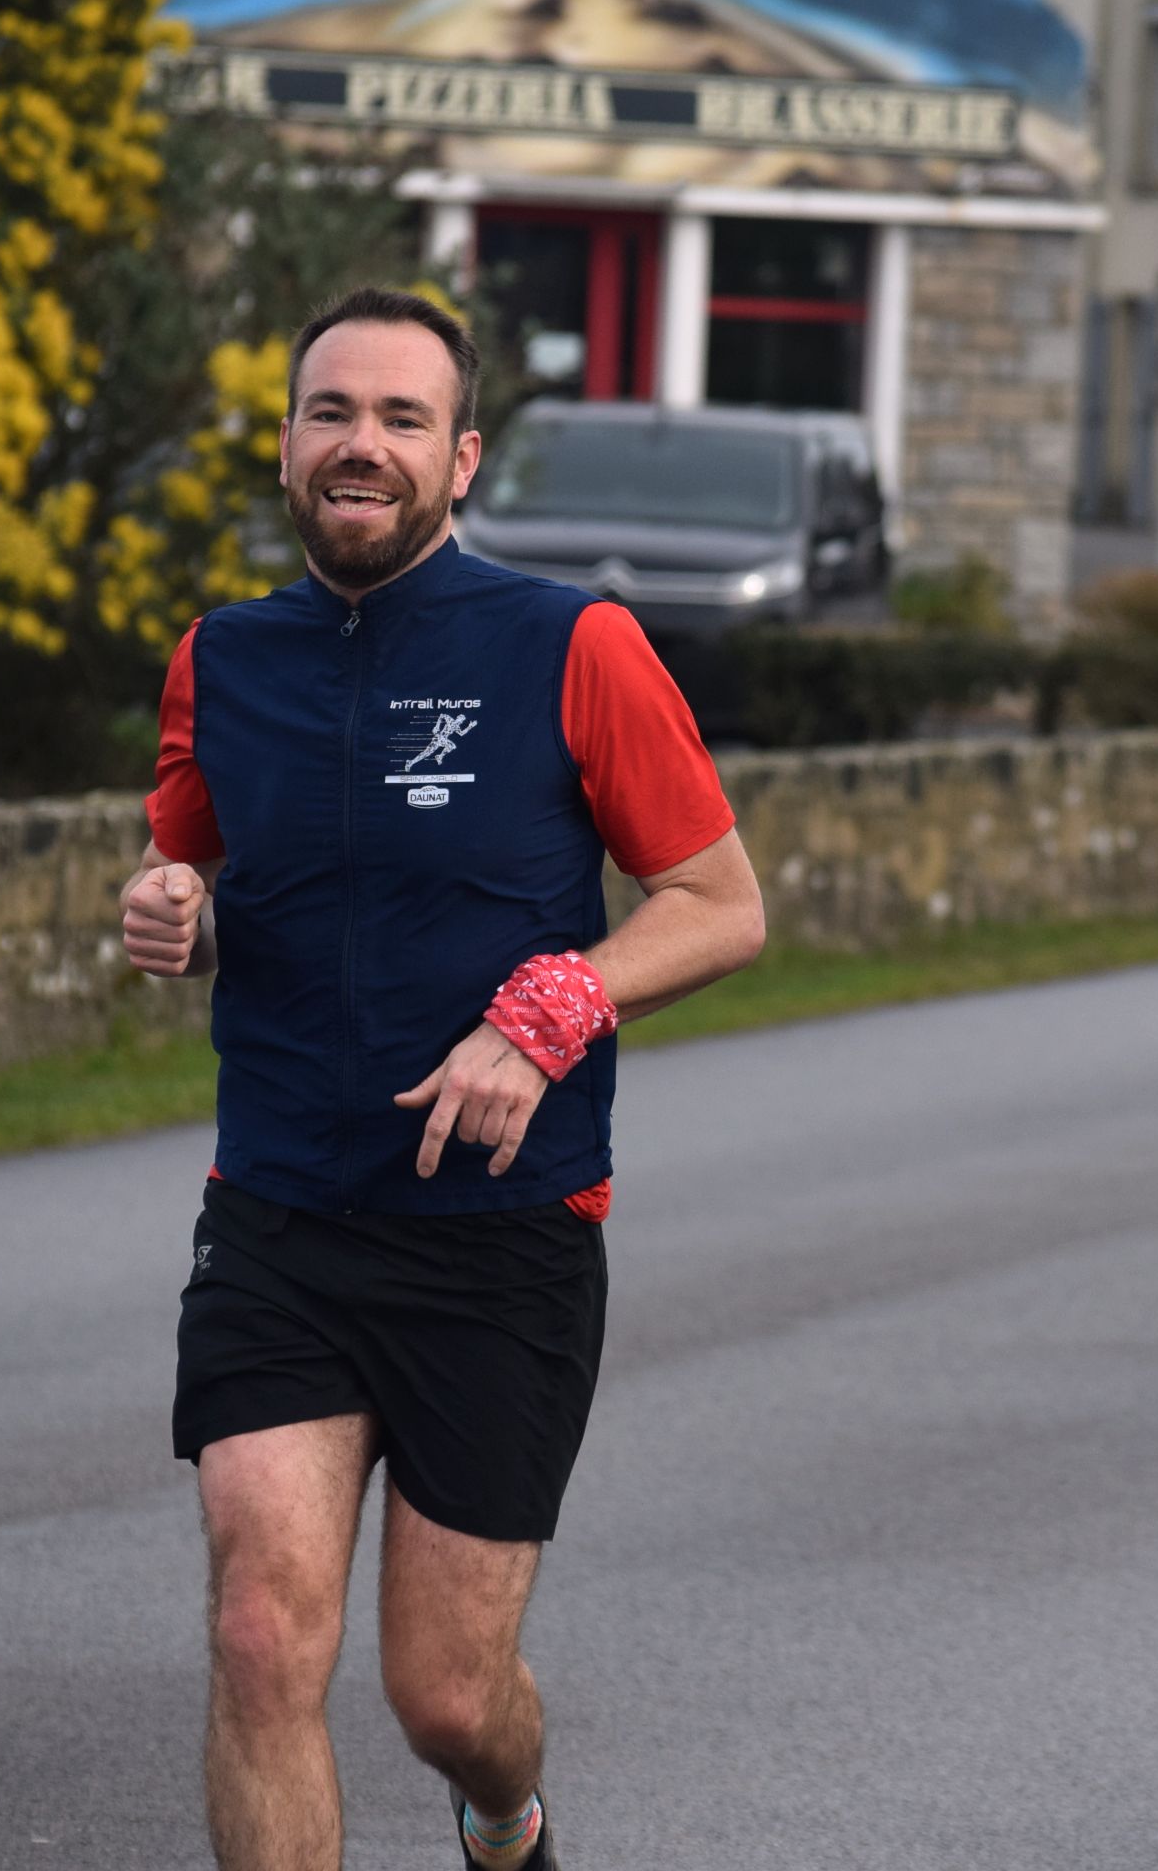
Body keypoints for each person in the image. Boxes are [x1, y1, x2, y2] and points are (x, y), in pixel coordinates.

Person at [121, 286, 767, 1871]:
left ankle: (504, 1816)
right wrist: (170, 909)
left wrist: (555, 1007)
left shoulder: (571, 645)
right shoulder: (222, 659)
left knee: (446, 1696)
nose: (364, 444)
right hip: (279, 1219)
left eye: (402, 419)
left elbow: (720, 904)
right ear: (286, 445)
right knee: (261, 1638)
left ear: (460, 458)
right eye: (332, 413)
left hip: (500, 1239)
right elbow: (201, 872)